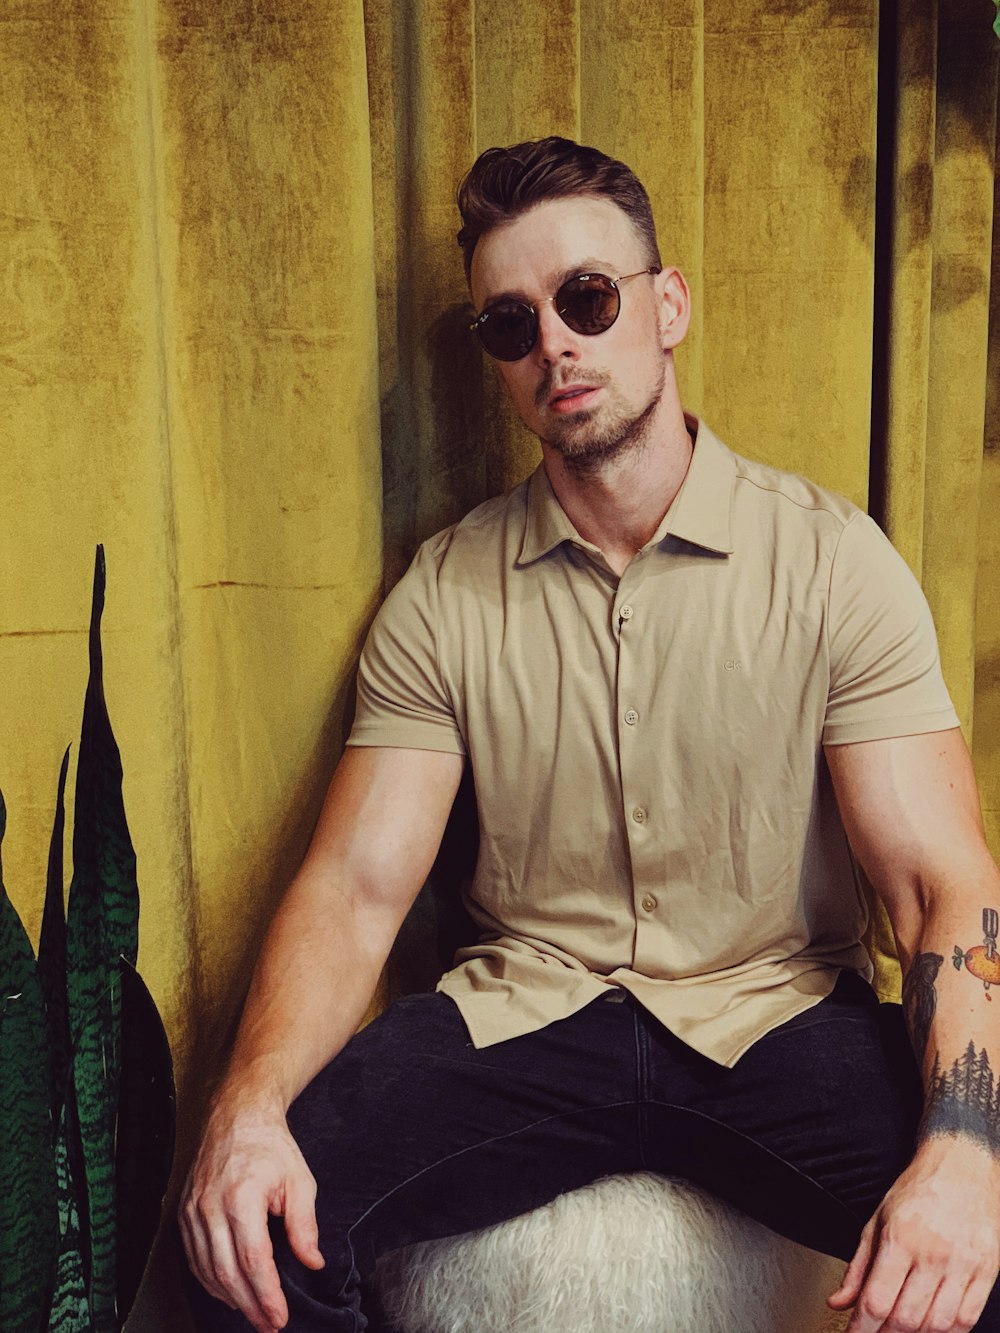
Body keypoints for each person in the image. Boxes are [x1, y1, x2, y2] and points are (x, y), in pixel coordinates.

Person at [180, 137, 1000, 1333]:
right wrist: (247, 1106)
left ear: (665, 307)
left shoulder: (832, 564)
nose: (553, 343)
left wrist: (967, 1152)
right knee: (249, 1233)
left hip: (769, 1014)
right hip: (526, 1015)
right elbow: (355, 889)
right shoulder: (444, 592)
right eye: (510, 324)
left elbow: (941, 883)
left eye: (586, 298)